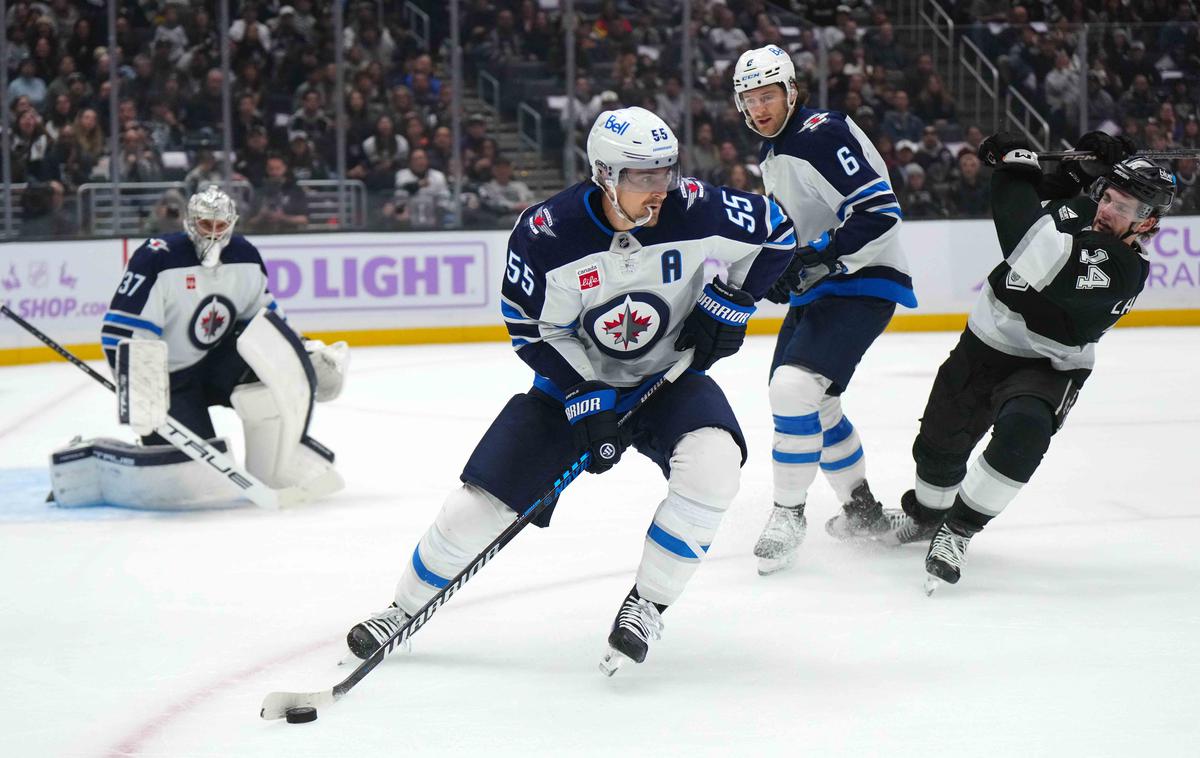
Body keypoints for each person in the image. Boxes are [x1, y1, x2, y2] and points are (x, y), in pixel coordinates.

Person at [344, 107, 796, 673]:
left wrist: (733, 300)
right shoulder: (546, 234)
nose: (660, 190)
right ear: (605, 175)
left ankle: (647, 606)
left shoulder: (696, 205)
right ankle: (400, 610)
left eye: (666, 172)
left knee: (715, 466)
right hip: (571, 386)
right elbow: (530, 330)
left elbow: (779, 232)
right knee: (472, 511)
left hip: (671, 377)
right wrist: (585, 393)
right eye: (643, 177)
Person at [877, 132, 1174, 592]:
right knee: (938, 451)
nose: (1108, 210)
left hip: (1048, 365)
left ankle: (957, 532)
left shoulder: (1120, 267)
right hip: (982, 346)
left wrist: (1012, 170)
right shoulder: (1084, 210)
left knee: (1025, 430)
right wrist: (1074, 171)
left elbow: (1027, 244)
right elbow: (1048, 198)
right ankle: (926, 517)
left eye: (1125, 208)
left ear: (1148, 224)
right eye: (1109, 197)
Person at [731, 44, 916, 575]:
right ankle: (862, 513)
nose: (759, 109)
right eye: (750, 100)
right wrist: (780, 267)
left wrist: (814, 256)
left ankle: (788, 514)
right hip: (828, 285)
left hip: (864, 281)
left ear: (791, 91)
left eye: (768, 95)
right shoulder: (777, 149)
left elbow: (881, 212)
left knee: (792, 389)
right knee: (814, 404)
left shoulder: (820, 132)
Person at [53, 187, 347, 510]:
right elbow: (118, 332)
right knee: (197, 475)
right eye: (206, 225)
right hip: (169, 380)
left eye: (220, 226)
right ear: (190, 222)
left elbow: (268, 324)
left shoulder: (245, 256)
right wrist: (141, 390)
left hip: (216, 364)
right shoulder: (158, 258)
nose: (213, 234)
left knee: (266, 382)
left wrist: (301, 353)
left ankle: (275, 466)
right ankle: (100, 453)